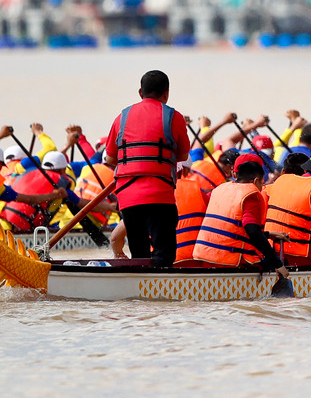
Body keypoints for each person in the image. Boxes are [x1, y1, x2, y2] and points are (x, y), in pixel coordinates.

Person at [102, 69, 191, 267]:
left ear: (140, 93)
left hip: (127, 196)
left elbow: (110, 158)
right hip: (160, 195)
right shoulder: (173, 117)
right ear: (167, 94)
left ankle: (139, 294)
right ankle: (160, 293)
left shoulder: (121, 117)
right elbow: (183, 156)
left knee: (139, 253)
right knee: (164, 254)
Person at [191, 154, 288, 269]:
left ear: (235, 174)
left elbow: (232, 227)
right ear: (257, 179)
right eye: (262, 183)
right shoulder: (251, 195)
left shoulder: (219, 189)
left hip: (204, 256)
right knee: (282, 263)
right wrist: (277, 264)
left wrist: (267, 234)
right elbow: (252, 230)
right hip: (232, 262)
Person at [0, 151, 75, 233]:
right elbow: (79, 202)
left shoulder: (29, 172)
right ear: (63, 169)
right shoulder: (62, 184)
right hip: (21, 226)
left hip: (1, 218)